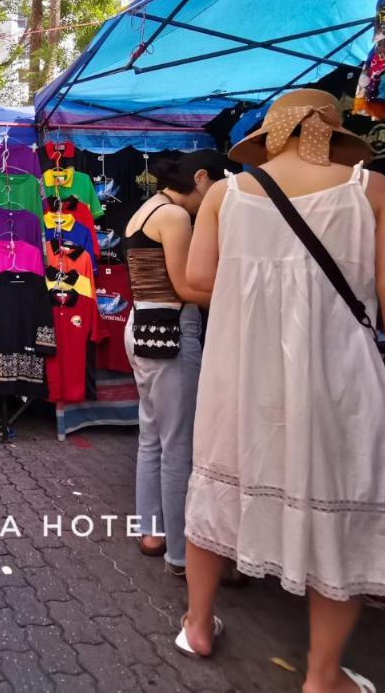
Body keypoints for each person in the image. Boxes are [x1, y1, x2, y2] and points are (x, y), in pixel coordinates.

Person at [178, 89, 385, 692]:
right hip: (339, 375)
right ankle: (322, 674)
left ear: (269, 136)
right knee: (339, 502)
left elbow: (199, 280)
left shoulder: (225, 196)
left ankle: (199, 624)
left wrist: (257, 296)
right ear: (334, 133)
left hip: (241, 373)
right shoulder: (372, 189)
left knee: (218, 482)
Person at [122, 150, 229, 577]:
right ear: (201, 179)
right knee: (178, 444)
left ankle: (151, 530)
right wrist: (239, 292)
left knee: (153, 436)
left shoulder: (145, 210)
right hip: (169, 328)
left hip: (142, 323)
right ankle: (182, 554)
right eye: (215, 189)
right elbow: (185, 285)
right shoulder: (175, 216)